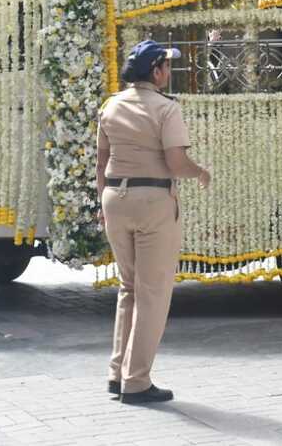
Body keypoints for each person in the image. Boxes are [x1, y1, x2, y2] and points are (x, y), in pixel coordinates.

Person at [96, 40, 210, 405]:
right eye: (166, 66)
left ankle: (118, 374)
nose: (169, 71)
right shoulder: (165, 109)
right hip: (153, 201)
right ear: (156, 71)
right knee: (153, 294)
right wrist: (201, 172)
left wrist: (103, 201)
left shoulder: (111, 105)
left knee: (129, 289)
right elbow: (176, 163)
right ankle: (137, 381)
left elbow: (102, 160)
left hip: (115, 198)